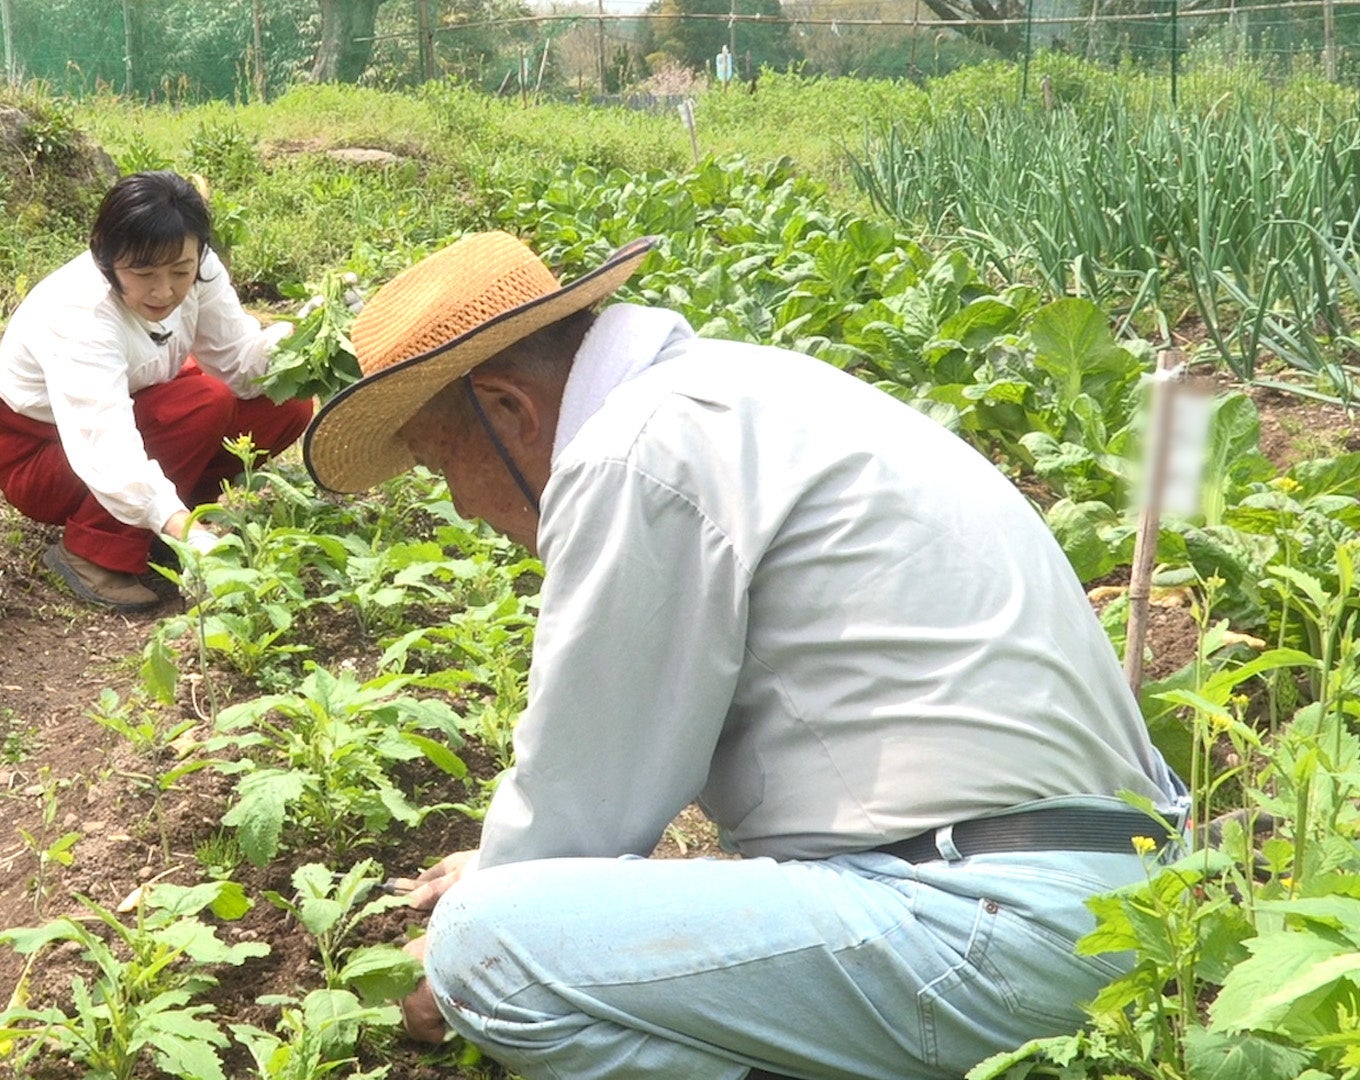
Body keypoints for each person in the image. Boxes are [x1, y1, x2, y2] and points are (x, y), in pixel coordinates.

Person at [300, 231, 1186, 1080]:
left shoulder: (633, 454)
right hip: (1127, 907)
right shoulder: (737, 392)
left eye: (436, 461)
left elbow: (592, 783)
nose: (455, 505)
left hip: (989, 931)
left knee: (486, 949)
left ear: (506, 408)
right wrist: (508, 863)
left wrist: (469, 929)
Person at [0, 171, 313, 611]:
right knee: (201, 404)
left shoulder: (199, 270)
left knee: (283, 402)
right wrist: (186, 530)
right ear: (105, 257)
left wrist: (308, 338)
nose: (164, 290)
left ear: (199, 255)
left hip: (141, 411)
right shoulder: (81, 315)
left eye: (180, 271)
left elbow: (241, 361)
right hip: (44, 456)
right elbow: (103, 444)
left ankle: (168, 517)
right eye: (143, 272)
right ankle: (92, 554)